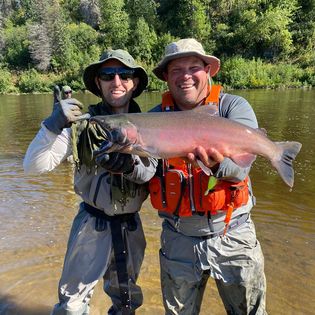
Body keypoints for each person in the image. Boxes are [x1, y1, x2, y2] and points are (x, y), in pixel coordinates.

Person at [23, 49, 157, 315]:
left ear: (135, 82)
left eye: (124, 74)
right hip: (90, 225)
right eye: (107, 75)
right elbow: (35, 165)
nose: (116, 81)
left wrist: (129, 165)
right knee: (71, 306)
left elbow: (150, 172)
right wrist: (52, 125)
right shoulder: (80, 126)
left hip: (131, 227)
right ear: (98, 83)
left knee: (126, 301)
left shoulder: (151, 125)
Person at [149, 38, 267, 314]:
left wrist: (217, 166)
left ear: (208, 71)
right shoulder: (154, 119)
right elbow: (145, 173)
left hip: (233, 234)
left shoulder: (233, 108)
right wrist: (126, 164)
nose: (185, 76)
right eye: (176, 70)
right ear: (166, 77)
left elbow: (241, 171)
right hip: (178, 239)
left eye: (193, 67)